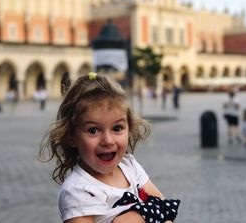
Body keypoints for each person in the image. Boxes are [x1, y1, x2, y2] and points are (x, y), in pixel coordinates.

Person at [39, 72, 180, 223]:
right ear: (71, 136)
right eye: (93, 130)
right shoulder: (78, 191)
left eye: (117, 128)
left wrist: (137, 217)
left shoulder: (129, 166)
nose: (108, 140)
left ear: (129, 128)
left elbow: (163, 208)